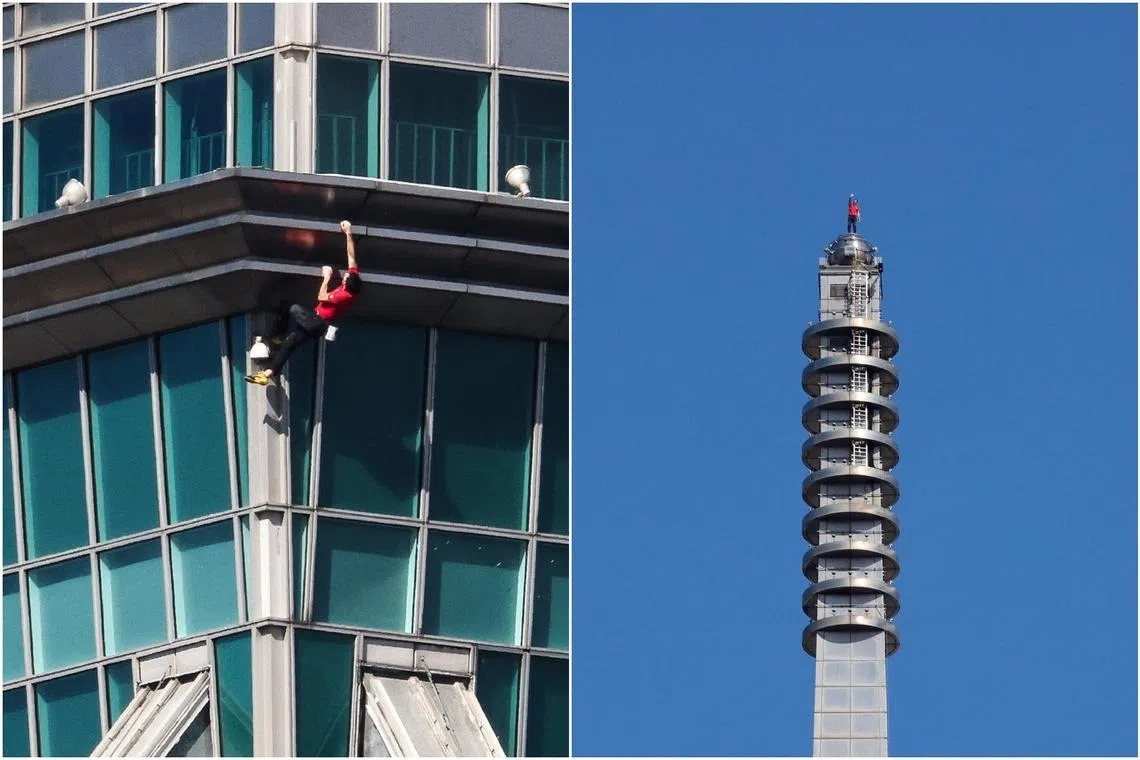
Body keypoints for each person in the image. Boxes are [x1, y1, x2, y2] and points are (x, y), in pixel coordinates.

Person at [245, 220, 361, 386]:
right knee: (290, 343)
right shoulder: (353, 281)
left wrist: (326, 278)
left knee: (291, 307)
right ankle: (268, 374)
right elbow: (351, 256)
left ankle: (277, 335)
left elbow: (321, 296)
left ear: (348, 284)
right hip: (315, 324)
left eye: (346, 277)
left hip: (317, 322)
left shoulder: (345, 295)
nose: (345, 276)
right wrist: (348, 232)